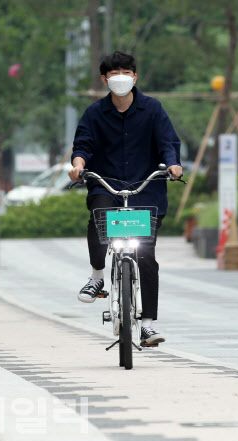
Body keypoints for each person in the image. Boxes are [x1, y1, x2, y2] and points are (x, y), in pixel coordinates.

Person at [68, 51, 183, 346]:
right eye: (114, 73)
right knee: (99, 213)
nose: (121, 77)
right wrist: (78, 166)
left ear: (135, 77)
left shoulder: (153, 110)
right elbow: (83, 144)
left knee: (145, 254)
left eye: (126, 72)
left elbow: (168, 142)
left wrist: (173, 164)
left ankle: (147, 325)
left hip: (147, 188)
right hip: (107, 185)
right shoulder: (94, 114)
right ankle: (97, 276)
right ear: (105, 79)